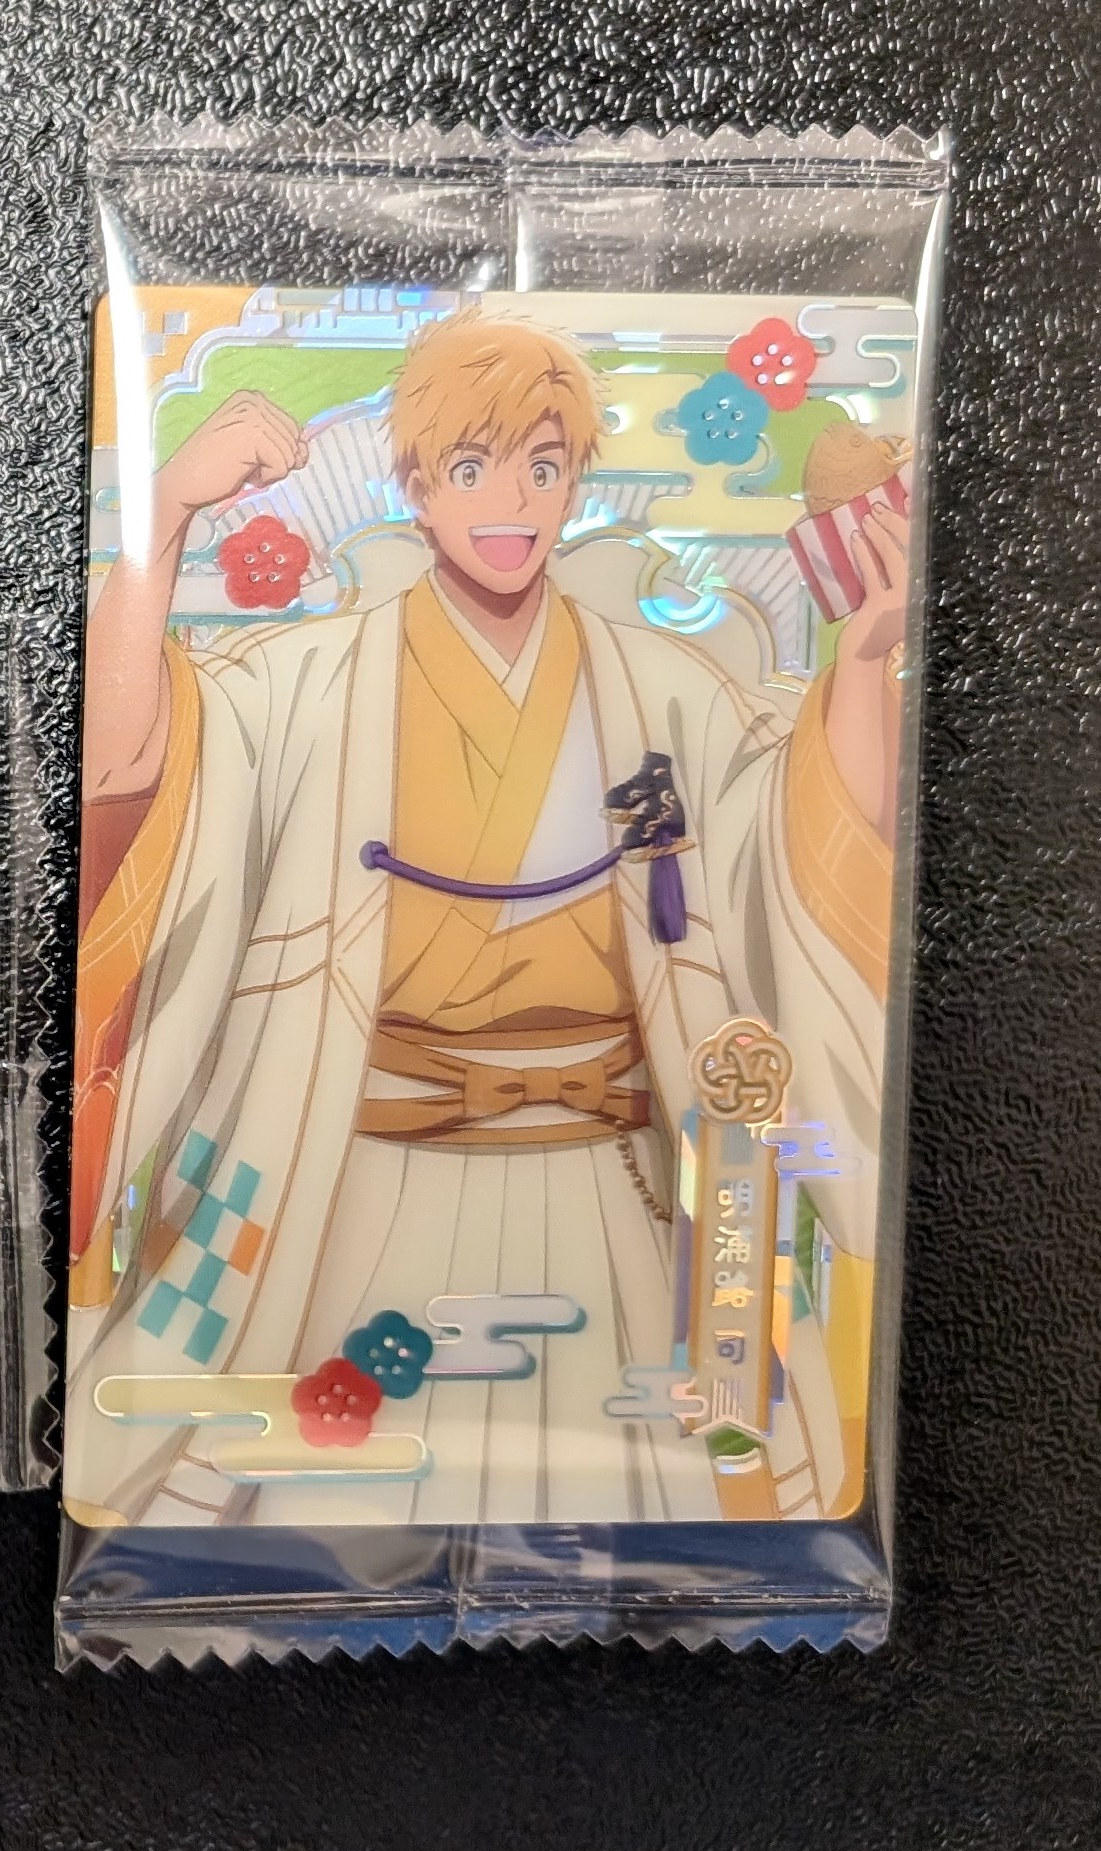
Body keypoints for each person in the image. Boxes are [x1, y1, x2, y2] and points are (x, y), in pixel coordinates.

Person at [68, 309, 908, 1526]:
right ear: (413, 487)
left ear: (573, 485)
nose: (508, 501)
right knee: (328, 1514)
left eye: (542, 466)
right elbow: (126, 765)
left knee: (652, 1514)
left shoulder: (662, 688)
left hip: (608, 1184)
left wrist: (865, 660)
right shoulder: (309, 679)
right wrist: (160, 520)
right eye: (468, 468)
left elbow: (809, 845)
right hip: (362, 1173)